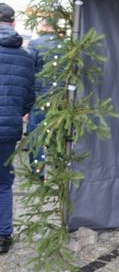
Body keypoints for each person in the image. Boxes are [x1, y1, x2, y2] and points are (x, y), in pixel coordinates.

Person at [0, 3, 35, 254]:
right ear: (13, 23)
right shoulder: (25, 56)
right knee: (3, 183)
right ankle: (3, 236)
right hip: (10, 128)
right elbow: (29, 98)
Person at [26, 19, 59, 176]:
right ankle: (60, 167)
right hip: (59, 97)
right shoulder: (65, 45)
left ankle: (38, 170)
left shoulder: (35, 44)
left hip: (40, 97)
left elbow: (29, 70)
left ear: (43, 26)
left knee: (36, 135)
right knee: (58, 133)